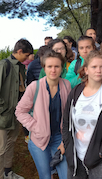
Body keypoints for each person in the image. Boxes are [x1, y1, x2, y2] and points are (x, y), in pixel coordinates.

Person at [61, 50, 102, 178]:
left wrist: (101, 152)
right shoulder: (76, 92)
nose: (98, 70)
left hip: (101, 159)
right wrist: (69, 148)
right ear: (86, 70)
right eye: (94, 67)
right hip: (76, 156)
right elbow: (66, 123)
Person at [15, 50, 68, 179]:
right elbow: (20, 111)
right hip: (39, 140)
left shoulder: (66, 85)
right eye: (49, 66)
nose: (53, 70)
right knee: (45, 175)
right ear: (44, 67)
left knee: (66, 175)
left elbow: (68, 113)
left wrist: (66, 137)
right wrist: (35, 127)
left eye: (57, 66)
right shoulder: (35, 87)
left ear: (62, 68)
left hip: (59, 138)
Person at [0, 38, 33, 179]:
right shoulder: (3, 65)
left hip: (14, 115)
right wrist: (3, 109)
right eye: (26, 55)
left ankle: (7, 172)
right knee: (1, 148)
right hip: (2, 116)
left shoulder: (19, 67)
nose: (27, 58)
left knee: (10, 144)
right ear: (19, 51)